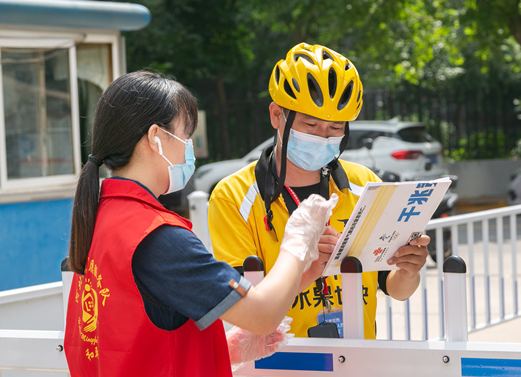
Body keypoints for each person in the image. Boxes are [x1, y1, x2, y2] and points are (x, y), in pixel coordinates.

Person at [63, 70, 338, 376]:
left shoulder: (104, 218)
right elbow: (263, 315)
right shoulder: (158, 236)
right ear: (156, 138)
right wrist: (298, 238)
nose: (189, 146)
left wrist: (227, 348)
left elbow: (141, 335)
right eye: (185, 134)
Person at [208, 42, 430, 339]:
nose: (323, 137)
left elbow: (393, 287)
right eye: (310, 124)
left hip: (358, 361)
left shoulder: (364, 183)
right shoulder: (232, 196)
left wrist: (408, 271)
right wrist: (301, 261)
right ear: (277, 115)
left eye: (335, 128)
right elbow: (243, 306)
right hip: (279, 363)